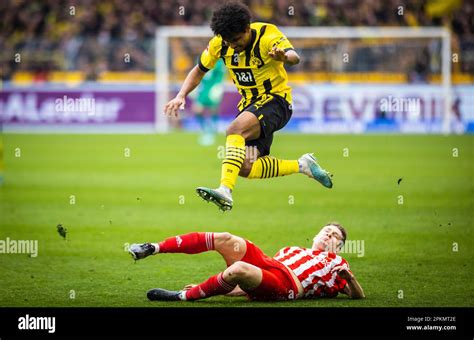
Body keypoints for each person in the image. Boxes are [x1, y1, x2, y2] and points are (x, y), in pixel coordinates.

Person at [164, 1, 333, 212]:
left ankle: (225, 190)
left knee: (234, 130)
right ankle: (302, 165)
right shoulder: (220, 43)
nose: (233, 45)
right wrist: (181, 95)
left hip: (276, 101)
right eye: (228, 41)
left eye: (236, 39)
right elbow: (199, 70)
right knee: (245, 167)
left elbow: (294, 57)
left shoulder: (267, 35)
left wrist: (284, 57)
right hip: (250, 107)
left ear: (247, 28)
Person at [128, 223, 365, 302]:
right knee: (225, 238)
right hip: (270, 264)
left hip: (289, 285)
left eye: (336, 236)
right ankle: (153, 247)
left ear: (339, 247)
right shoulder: (291, 249)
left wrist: (350, 279)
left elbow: (358, 297)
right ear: (316, 235)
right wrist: (232, 292)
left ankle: (181, 296)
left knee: (238, 269)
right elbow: (256, 281)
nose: (329, 235)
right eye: (327, 231)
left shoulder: (337, 263)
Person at [190, 58, 226, 146]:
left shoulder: (219, 62)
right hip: (203, 88)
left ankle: (213, 130)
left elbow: (220, 75)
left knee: (213, 109)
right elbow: (198, 73)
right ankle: (205, 130)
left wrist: (218, 86)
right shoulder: (204, 58)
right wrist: (196, 87)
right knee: (197, 110)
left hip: (213, 87)